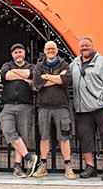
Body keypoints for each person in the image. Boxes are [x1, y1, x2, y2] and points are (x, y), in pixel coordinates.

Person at [70, 37, 103, 181]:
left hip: (102, 107)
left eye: (87, 46)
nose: (84, 48)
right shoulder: (75, 63)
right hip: (82, 109)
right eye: (82, 47)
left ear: (92, 46)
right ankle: (90, 166)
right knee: (85, 138)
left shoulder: (102, 62)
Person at [32, 40, 76, 179]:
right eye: (48, 48)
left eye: (53, 48)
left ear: (57, 50)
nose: (51, 50)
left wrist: (46, 77)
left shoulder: (64, 64)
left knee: (64, 137)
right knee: (44, 137)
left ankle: (68, 166)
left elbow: (67, 80)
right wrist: (57, 78)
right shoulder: (39, 66)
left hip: (61, 106)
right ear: (44, 51)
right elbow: (37, 83)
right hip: (44, 106)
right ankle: (43, 166)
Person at [0, 43, 39, 178]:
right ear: (12, 55)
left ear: (24, 53)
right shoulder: (7, 65)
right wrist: (24, 78)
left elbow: (31, 74)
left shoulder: (32, 67)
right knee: (8, 130)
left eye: (20, 52)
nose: (18, 54)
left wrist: (20, 74)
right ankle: (28, 157)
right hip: (8, 105)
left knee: (23, 136)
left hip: (25, 106)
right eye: (15, 52)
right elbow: (6, 76)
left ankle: (18, 166)